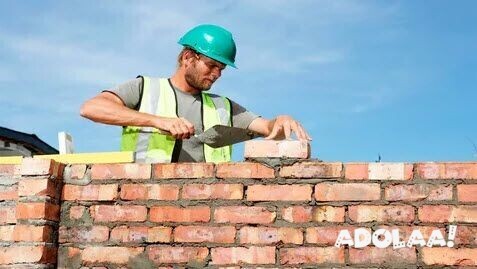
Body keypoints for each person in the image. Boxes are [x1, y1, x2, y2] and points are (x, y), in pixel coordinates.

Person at [80, 24, 311, 163]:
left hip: (204, 211)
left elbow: (268, 129)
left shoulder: (223, 106)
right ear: (188, 57)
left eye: (221, 69)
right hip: (142, 200)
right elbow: (91, 108)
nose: (216, 74)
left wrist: (280, 122)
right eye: (211, 65)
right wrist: (158, 121)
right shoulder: (144, 88)